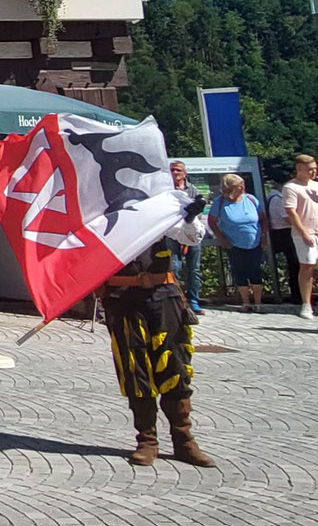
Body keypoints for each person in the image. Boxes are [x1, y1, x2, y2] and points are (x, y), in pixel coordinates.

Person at [101, 190, 214, 467]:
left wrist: (189, 217)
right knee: (135, 369)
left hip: (164, 294)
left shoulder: (157, 203)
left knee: (175, 365)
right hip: (123, 296)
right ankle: (147, 439)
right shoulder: (102, 206)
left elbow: (191, 237)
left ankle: (183, 439)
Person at [282, 155, 318, 321]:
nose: (313, 172)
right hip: (306, 232)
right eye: (309, 169)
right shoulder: (291, 187)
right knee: (307, 267)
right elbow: (291, 212)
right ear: (299, 169)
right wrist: (303, 232)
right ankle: (306, 304)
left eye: (315, 168)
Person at [210, 173, 267, 311]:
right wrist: (221, 238)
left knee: (255, 271)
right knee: (240, 272)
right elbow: (212, 221)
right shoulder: (220, 202)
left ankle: (258, 303)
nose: (242, 188)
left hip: (254, 241)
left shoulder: (251, 199)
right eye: (238, 186)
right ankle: (246, 302)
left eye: (242, 185)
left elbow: (263, 218)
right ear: (229, 187)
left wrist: (264, 236)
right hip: (233, 243)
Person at [167, 162, 207, 316]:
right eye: (172, 170)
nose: (175, 172)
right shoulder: (166, 190)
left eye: (178, 170)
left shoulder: (193, 190)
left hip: (191, 230)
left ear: (184, 173)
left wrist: (188, 229)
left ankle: (193, 300)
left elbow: (199, 211)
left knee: (194, 268)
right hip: (172, 232)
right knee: (174, 266)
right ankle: (177, 299)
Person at [265, 178, 300, 307]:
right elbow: (286, 218)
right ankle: (297, 295)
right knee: (295, 265)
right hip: (283, 233)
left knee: (294, 265)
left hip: (279, 233)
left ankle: (296, 294)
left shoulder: (272, 197)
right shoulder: (277, 199)